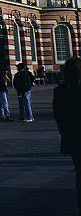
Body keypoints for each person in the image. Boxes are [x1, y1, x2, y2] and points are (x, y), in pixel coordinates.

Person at [53, 56, 81, 216]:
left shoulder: (60, 91)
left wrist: (66, 134)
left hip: (72, 139)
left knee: (79, 172)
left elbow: (59, 118)